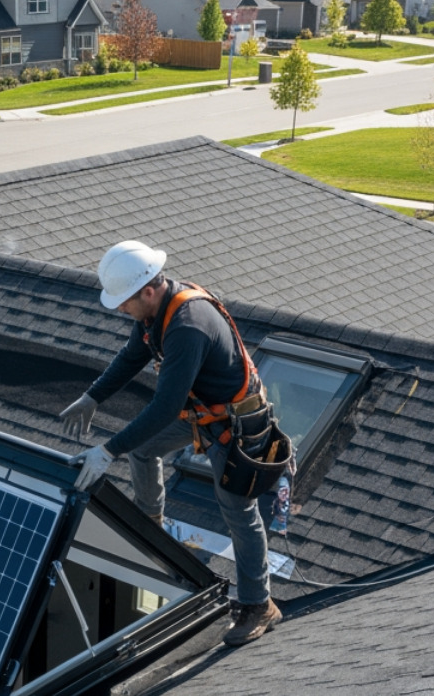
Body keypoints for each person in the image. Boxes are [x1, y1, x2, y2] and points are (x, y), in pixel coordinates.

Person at [62, 241, 282, 647]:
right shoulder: (155, 313)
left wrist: (107, 450)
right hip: (202, 413)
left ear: (148, 290)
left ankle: (259, 605)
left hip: (234, 424)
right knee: (143, 449)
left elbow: (165, 406)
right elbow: (132, 357)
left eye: (124, 302)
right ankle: (153, 532)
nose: (121, 309)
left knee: (238, 512)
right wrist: (93, 396)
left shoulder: (187, 325)